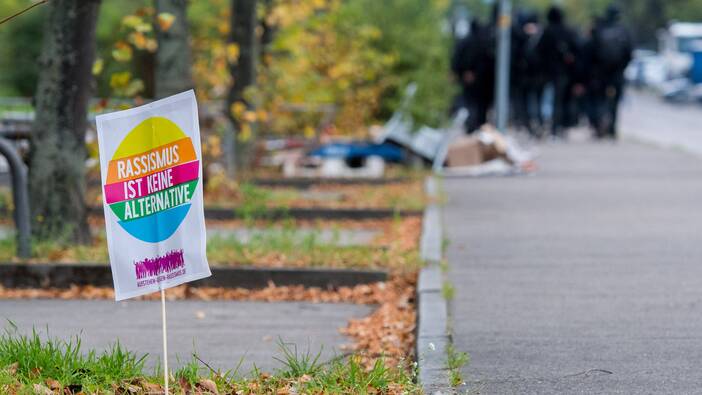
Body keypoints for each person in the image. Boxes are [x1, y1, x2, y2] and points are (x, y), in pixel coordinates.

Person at [589, 5, 633, 139]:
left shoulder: (599, 30)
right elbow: (629, 53)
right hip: (617, 73)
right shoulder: (623, 31)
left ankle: (600, 125)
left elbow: (592, 52)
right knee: (615, 103)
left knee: (600, 100)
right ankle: (612, 129)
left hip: (601, 73)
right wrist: (622, 68)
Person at [536, 6, 580, 139]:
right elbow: (577, 52)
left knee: (546, 100)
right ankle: (560, 127)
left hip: (547, 72)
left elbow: (538, 50)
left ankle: (546, 126)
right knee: (560, 101)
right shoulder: (568, 32)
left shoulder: (547, 31)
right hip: (564, 73)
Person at [451, 14, 496, 133]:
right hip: (484, 80)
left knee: (471, 103)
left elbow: (458, 58)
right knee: (479, 106)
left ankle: (473, 126)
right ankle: (478, 126)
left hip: (474, 79)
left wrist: (461, 71)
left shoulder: (467, 41)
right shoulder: (484, 40)